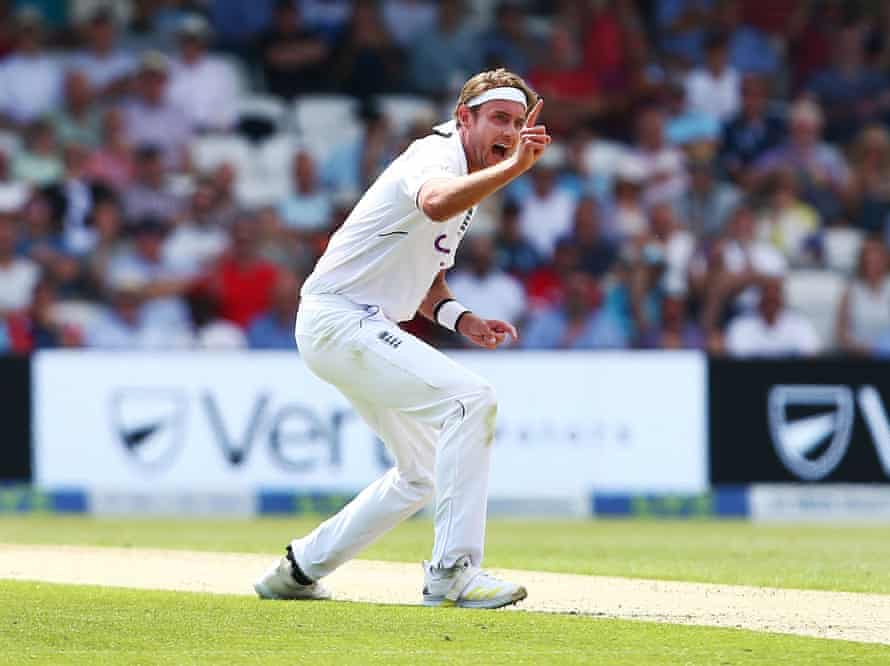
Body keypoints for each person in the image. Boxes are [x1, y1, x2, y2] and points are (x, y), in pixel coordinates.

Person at [254, 68, 550, 609]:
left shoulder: (471, 174)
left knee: (418, 474)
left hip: (351, 324)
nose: (507, 131)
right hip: (340, 318)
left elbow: (426, 280)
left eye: (516, 122)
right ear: (465, 119)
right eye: (498, 119)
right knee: (471, 400)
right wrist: (511, 169)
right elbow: (436, 203)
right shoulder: (434, 158)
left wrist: (462, 319)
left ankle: (297, 570)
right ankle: (452, 574)